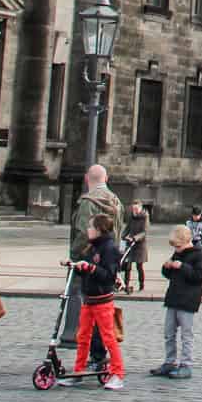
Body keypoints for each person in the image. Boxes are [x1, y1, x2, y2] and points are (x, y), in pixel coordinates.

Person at [66, 165, 122, 363]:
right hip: (108, 262)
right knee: (102, 306)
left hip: (88, 261)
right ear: (106, 178)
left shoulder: (87, 202)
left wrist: (76, 259)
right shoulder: (116, 201)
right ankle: (97, 351)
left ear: (86, 178)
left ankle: (73, 334)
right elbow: (118, 233)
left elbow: (82, 233)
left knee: (81, 298)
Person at [64, 212, 125, 389]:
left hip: (102, 300)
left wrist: (91, 268)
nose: (88, 229)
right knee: (83, 336)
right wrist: (78, 267)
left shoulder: (109, 249)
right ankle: (79, 370)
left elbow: (108, 275)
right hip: (89, 299)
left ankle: (118, 373)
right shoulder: (91, 247)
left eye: (91, 227)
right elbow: (89, 270)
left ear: (99, 229)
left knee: (108, 337)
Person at [151, 224, 202, 379]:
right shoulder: (177, 253)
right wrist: (166, 267)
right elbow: (169, 275)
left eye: (178, 246)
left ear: (186, 242)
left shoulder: (198, 254)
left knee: (186, 334)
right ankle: (169, 362)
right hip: (173, 298)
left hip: (188, 300)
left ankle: (186, 364)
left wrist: (182, 266)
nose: (176, 249)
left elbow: (199, 277)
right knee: (169, 332)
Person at [121, 200, 150, 293]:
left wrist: (135, 238)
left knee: (139, 266)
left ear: (140, 208)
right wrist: (123, 236)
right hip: (131, 244)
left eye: (136, 209)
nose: (135, 211)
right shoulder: (131, 216)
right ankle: (126, 284)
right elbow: (127, 228)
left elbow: (144, 231)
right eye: (133, 209)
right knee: (127, 266)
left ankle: (141, 285)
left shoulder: (145, 217)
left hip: (140, 245)